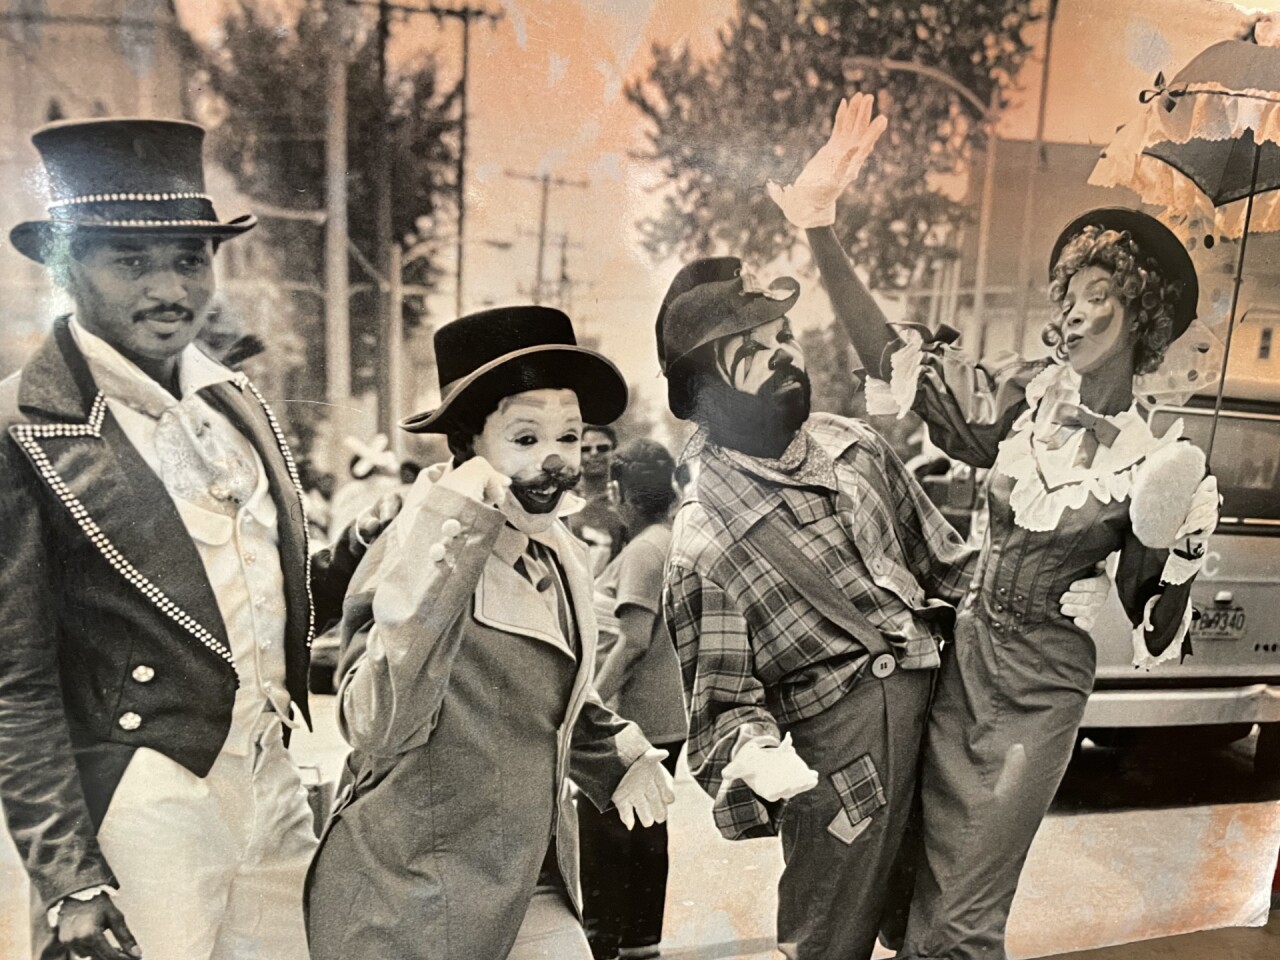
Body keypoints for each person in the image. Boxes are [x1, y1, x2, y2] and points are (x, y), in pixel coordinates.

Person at [769, 93, 1220, 960]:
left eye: (1101, 295)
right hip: (960, 663)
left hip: (1041, 692)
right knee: (910, 899)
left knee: (963, 918)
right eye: (1072, 294)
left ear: (1143, 318)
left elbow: (1154, 627)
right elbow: (894, 364)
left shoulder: (1157, 461)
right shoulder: (1021, 403)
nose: (1078, 311)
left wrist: (1171, 544)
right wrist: (820, 225)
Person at [0, 118, 394, 960]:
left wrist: (362, 541)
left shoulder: (233, 406)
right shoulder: (22, 428)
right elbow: (17, 685)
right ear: (68, 267)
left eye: (188, 257)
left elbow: (251, 607)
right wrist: (69, 875)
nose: (169, 287)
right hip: (142, 803)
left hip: (272, 782)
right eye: (130, 261)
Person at [654, 245, 1113, 956]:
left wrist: (1052, 586)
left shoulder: (856, 446)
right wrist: (755, 753)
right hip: (841, 778)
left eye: (785, 338)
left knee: (948, 927)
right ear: (701, 389)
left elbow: (951, 568)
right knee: (827, 944)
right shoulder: (701, 538)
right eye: (752, 349)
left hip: (944, 726)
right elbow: (719, 713)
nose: (785, 356)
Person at [305, 305, 677, 960]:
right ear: (467, 447)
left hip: (530, 877)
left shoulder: (558, 545)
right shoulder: (411, 545)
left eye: (568, 437)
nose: (558, 463)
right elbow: (375, 723)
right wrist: (454, 538)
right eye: (526, 440)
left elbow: (538, 693)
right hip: (413, 894)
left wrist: (616, 752)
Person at [579, 439, 688, 960]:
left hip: (633, 714)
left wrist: (591, 703)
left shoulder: (646, 549)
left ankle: (609, 941)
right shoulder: (667, 538)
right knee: (644, 829)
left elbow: (635, 639)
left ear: (620, 491)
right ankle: (641, 941)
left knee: (606, 835)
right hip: (661, 711)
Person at [567, 424, 628, 575]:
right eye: (585, 449)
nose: (594, 453)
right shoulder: (564, 500)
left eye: (602, 448)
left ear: (613, 453)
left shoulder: (624, 501)